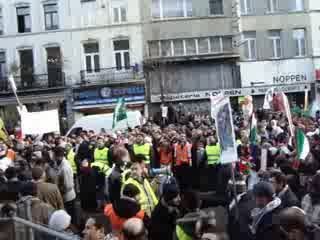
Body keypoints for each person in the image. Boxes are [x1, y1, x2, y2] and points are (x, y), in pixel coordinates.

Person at [54, 146, 76, 224]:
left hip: (68, 196)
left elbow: (68, 185)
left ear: (57, 156)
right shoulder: (58, 164)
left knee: (71, 217)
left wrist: (58, 191)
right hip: (63, 195)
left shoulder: (65, 168)